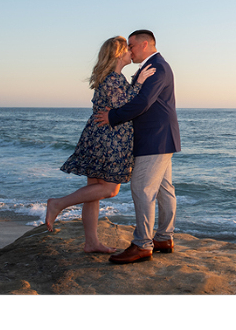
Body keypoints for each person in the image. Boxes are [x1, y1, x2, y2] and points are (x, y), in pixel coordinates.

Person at [44, 36, 155, 253]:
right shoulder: (113, 78)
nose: (131, 52)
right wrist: (139, 83)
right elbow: (125, 105)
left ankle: (91, 242)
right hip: (109, 138)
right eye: (128, 49)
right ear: (118, 54)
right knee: (110, 189)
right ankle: (58, 204)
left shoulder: (112, 77)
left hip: (99, 135)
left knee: (93, 191)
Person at [94, 29, 181, 264]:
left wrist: (112, 117)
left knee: (142, 188)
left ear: (144, 44)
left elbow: (142, 103)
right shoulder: (153, 67)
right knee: (164, 189)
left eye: (131, 46)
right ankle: (164, 238)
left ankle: (143, 244)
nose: (129, 51)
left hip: (154, 138)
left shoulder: (157, 67)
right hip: (159, 137)